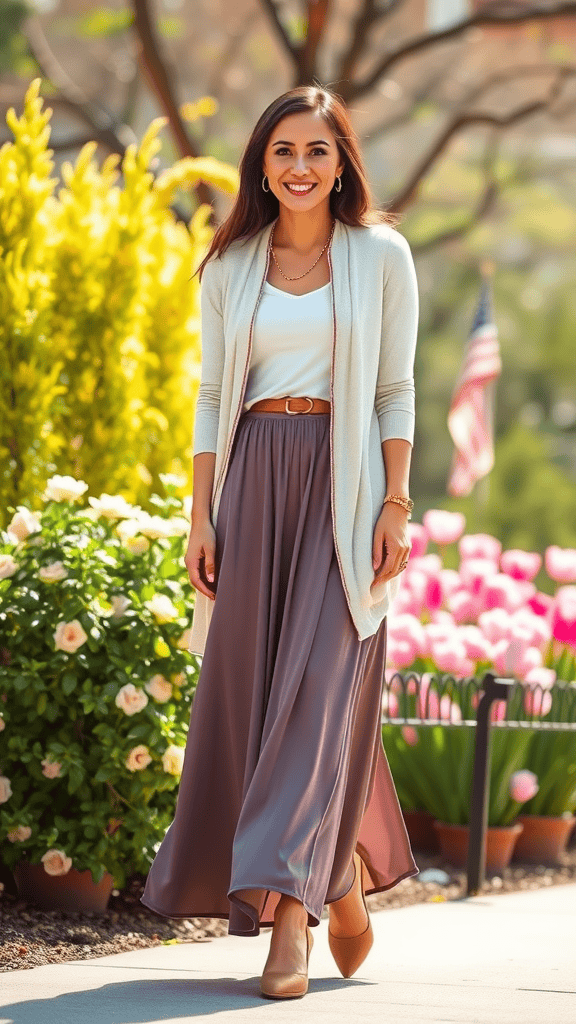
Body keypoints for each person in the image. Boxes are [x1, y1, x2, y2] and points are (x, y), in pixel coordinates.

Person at [140, 84, 420, 1000]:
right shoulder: (231, 268)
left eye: (319, 150)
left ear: (343, 162)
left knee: (318, 693)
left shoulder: (380, 255)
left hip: (346, 487)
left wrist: (396, 503)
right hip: (256, 479)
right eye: (284, 151)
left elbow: (395, 390)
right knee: (262, 700)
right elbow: (214, 397)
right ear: (261, 163)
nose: (301, 167)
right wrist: (201, 514)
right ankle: (337, 875)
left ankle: (287, 926)